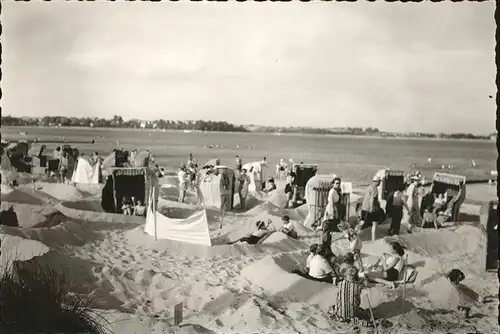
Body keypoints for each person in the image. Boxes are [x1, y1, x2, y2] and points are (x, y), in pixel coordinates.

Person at [358, 176, 382, 241]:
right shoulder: (375, 188)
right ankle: (373, 239)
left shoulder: (369, 187)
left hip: (364, 207)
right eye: (379, 181)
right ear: (377, 181)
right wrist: (371, 208)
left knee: (362, 222)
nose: (380, 183)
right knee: (374, 223)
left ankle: (354, 235)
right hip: (371, 208)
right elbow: (372, 198)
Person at [322, 176, 343, 243]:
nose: (338, 185)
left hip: (335, 208)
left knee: (331, 228)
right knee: (328, 226)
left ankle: (328, 241)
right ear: (333, 184)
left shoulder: (336, 191)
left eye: (339, 183)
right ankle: (325, 242)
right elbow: (331, 202)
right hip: (331, 209)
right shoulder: (332, 191)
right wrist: (332, 213)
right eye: (336, 183)